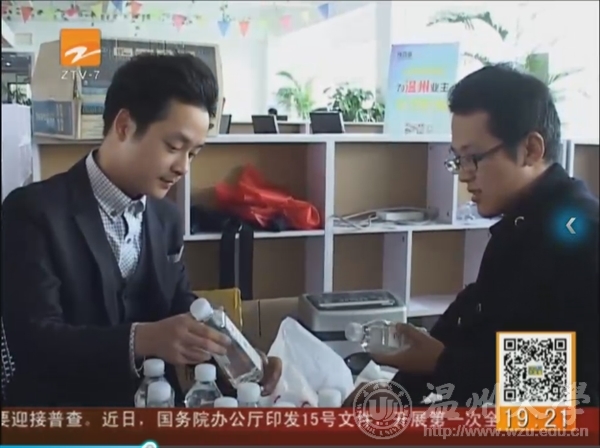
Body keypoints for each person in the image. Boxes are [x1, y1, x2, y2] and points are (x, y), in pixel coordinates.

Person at [2, 54, 282, 406]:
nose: (183, 167)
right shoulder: (33, 211)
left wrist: (239, 356)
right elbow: (34, 342)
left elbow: (180, 305)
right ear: (124, 126)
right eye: (174, 147)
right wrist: (143, 339)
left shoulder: (166, 219)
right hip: (61, 419)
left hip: (152, 411)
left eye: (193, 153)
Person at [372, 64, 599, 407]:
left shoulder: (582, 237)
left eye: (474, 158)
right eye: (458, 160)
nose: (464, 175)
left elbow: (578, 388)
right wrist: (395, 393)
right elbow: (470, 323)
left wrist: (439, 362)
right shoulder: (519, 225)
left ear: (531, 150)